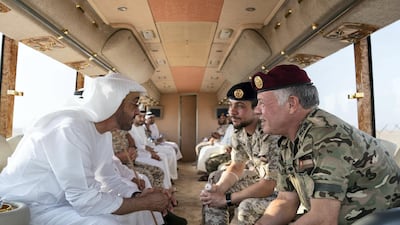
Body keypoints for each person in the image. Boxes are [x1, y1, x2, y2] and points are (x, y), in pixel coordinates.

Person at [0, 73, 174, 225]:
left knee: (137, 211)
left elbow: (109, 179)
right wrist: (144, 203)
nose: (138, 111)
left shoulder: (103, 134)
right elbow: (84, 200)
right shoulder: (70, 129)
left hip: (61, 202)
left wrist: (139, 196)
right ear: (114, 103)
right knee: (102, 223)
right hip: (25, 206)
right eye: (134, 104)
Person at [251, 64, 400, 225]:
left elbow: (323, 219)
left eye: (262, 103)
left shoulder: (326, 137)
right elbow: (285, 200)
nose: (256, 111)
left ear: (292, 104)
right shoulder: (288, 141)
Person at [199, 82, 281, 225]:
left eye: (240, 106)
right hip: (261, 179)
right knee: (212, 193)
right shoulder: (240, 131)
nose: (232, 111)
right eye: (231, 105)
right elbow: (236, 166)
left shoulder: (270, 133)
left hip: (281, 189)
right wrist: (219, 189)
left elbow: (269, 185)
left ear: (257, 109)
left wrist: (227, 198)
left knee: (245, 207)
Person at [111, 132, 188, 225]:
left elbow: (115, 163)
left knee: (148, 176)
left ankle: (161, 213)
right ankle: (158, 215)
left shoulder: (116, 132)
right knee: (144, 179)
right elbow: (107, 172)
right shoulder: (99, 134)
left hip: (124, 166)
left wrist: (132, 177)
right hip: (117, 172)